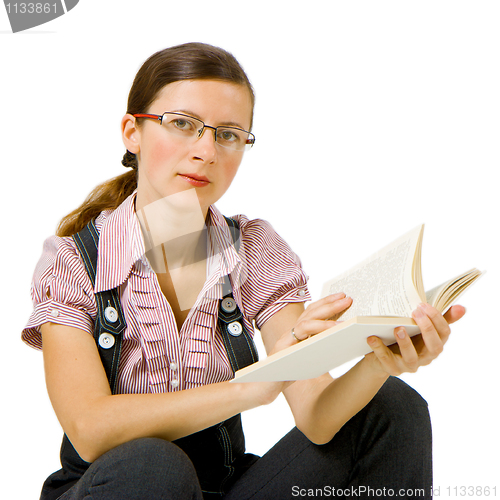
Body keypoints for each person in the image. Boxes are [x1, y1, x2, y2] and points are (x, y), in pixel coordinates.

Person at [22, 42, 465, 500]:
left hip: (227, 489)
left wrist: (377, 360)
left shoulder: (253, 248)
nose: (206, 151)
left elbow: (316, 415)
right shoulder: (71, 261)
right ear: (132, 132)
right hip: (117, 487)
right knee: (154, 464)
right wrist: (256, 385)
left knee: (390, 406)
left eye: (229, 134)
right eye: (182, 124)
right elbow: (91, 428)